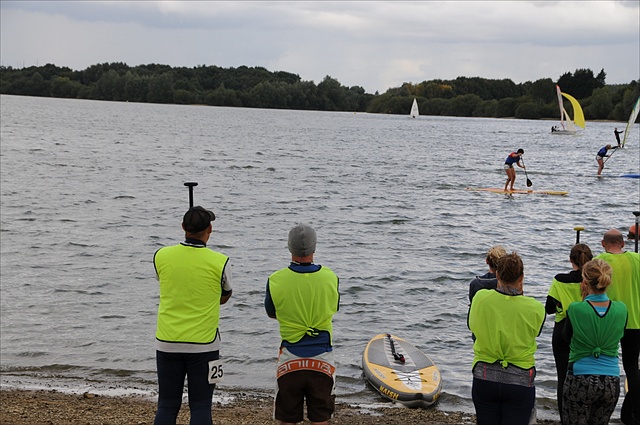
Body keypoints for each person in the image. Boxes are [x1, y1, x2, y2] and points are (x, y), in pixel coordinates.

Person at [153, 205, 233, 425]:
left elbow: (167, 282)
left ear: (183, 227)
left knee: (167, 404)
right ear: (210, 229)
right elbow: (225, 296)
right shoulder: (221, 262)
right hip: (204, 345)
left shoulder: (161, 255)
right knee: (201, 406)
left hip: (167, 341)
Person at [265, 223, 340, 425]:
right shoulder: (330, 277)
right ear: (315, 247)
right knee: (321, 418)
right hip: (322, 358)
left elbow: (272, 313)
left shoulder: (275, 280)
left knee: (287, 419)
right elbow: (334, 307)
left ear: (289, 247)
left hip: (290, 359)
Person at [468, 252, 546, 425]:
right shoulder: (535, 308)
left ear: (497, 275)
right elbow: (535, 332)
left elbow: (471, 326)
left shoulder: (480, 298)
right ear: (521, 278)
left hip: (485, 374)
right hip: (520, 378)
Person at [562, 259, 628, 425]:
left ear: (584, 282)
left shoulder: (576, 309)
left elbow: (566, 337)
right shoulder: (621, 309)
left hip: (580, 377)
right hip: (611, 379)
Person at [545, 243, 593, 424]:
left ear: (570, 260)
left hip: (562, 328)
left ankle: (564, 418)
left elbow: (549, 308)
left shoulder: (559, 280)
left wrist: (560, 303)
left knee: (563, 377)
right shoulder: (593, 280)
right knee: (586, 375)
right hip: (586, 327)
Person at [596, 229, 640, 425]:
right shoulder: (637, 259)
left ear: (603, 243)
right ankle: (635, 412)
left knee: (604, 364)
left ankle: (602, 410)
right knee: (632, 367)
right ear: (623, 244)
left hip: (608, 320)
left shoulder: (599, 261)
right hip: (635, 320)